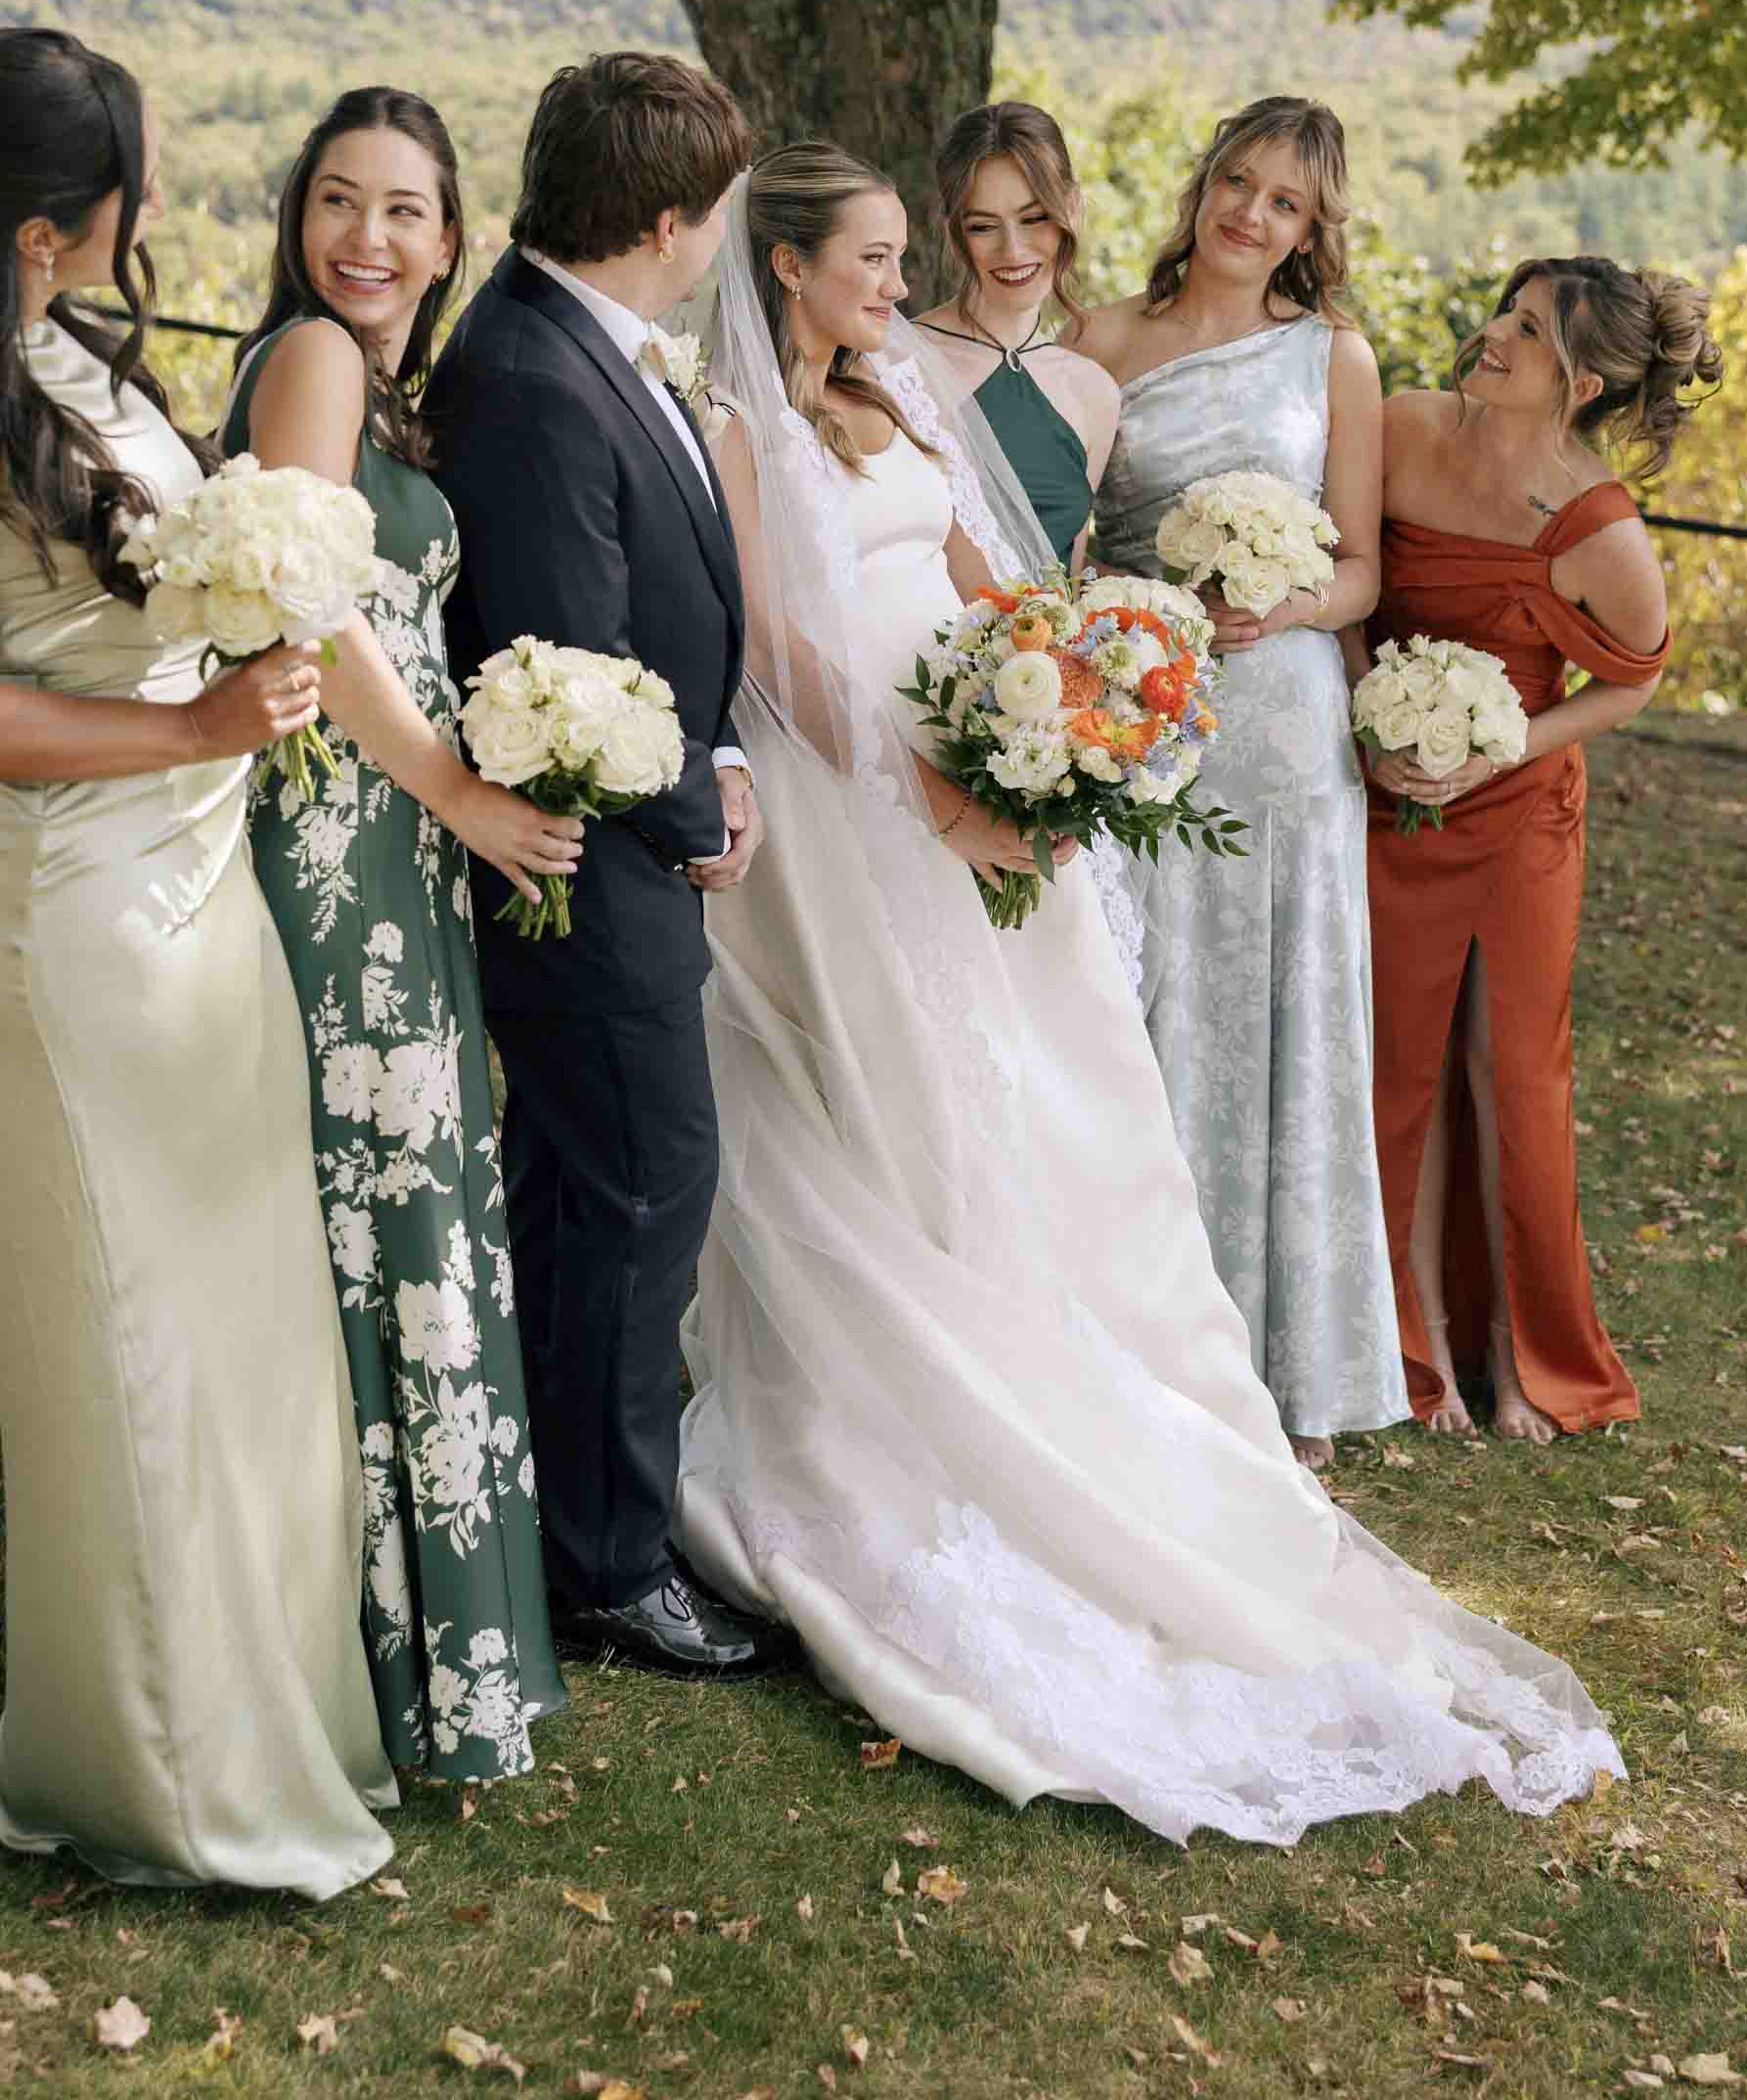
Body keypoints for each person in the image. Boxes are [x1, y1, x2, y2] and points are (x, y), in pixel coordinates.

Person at [672, 142, 1622, 1847]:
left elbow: (986, 579)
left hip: (983, 772)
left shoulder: (898, 394)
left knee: (1068, 1100)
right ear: (790, 269)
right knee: (888, 1104)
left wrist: (1064, 713)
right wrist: (923, 784)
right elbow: (767, 646)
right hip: (853, 804)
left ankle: (1138, 1398)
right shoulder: (743, 429)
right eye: (879, 260)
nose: (903, 287)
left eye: (908, 257)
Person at [0, 27, 394, 1894]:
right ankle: (168, 1771)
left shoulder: (79, 357)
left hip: (194, 880)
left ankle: (274, 1705)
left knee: (237, 1315)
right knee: (140, 1331)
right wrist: (195, 729)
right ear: (67, 218)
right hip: (72, 902)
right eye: (126, 189)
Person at [424, 52, 792, 1681]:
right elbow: (564, 652)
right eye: (716, 214)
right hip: (578, 872)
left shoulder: (585, 338)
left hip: (633, 828)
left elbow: (657, 613)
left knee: (591, 1197)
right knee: (644, 1195)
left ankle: (555, 1506)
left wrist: (716, 747)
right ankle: (615, 1564)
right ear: (667, 218)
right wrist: (689, 817)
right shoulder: (528, 369)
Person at [224, 88, 574, 1775]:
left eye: (405, 212)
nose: (366, 238)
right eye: (338, 202)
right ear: (301, 217)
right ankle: (395, 1659)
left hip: (392, 832)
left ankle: (427, 1645)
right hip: (353, 823)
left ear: (450, 240)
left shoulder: (379, 384)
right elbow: (313, 594)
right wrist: (455, 790)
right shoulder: (313, 361)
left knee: (412, 1189)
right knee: (389, 1200)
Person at [1081, 96, 1405, 1467]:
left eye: (1284, 202)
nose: (1251, 215)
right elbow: (1067, 537)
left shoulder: (1334, 357)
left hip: (1285, 731)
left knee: (1287, 1030)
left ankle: (1292, 1371)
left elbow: (1366, 572)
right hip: (1146, 716)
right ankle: (1144, 1347)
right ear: (1202, 183)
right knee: (1144, 1021)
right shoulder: (1102, 338)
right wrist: (1143, 605)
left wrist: (1281, 601)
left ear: (1312, 231)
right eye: (1238, 182)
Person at [1358, 256, 1719, 1441]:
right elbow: (1354, 593)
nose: (1493, 337)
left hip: (1516, 816)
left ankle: (1517, 1361)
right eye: (1505, 314)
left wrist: (1499, 749)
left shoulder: (1597, 524)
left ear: (1583, 381)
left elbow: (1632, 680)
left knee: (1503, 1072)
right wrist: (1367, 723)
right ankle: (1416, 1357)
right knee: (1397, 1063)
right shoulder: (1401, 428)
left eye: (1525, 329)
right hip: (1386, 795)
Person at [913, 102, 1118, 573]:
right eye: (983, 226)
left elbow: (1069, 578)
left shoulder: (1094, 393)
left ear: (1072, 208)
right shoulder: (906, 362)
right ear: (954, 234)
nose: (1013, 250)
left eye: (1034, 218)